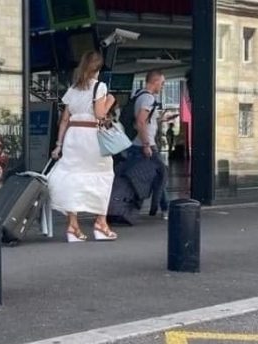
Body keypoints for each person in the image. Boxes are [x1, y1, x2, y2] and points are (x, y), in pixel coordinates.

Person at [48, 51, 117, 242]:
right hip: (91, 137)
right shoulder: (100, 87)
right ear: (98, 68)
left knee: (73, 177)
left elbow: (64, 120)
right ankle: (101, 224)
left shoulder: (73, 89)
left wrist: (59, 145)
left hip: (73, 137)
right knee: (103, 176)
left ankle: (73, 227)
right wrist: (110, 101)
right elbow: (100, 115)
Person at [126, 69, 169, 219]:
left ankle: (159, 208)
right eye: (162, 83)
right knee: (161, 174)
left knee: (142, 176)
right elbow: (140, 121)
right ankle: (163, 208)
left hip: (136, 144)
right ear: (155, 81)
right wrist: (146, 144)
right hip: (145, 145)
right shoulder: (148, 99)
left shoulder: (139, 95)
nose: (162, 86)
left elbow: (145, 120)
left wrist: (160, 120)